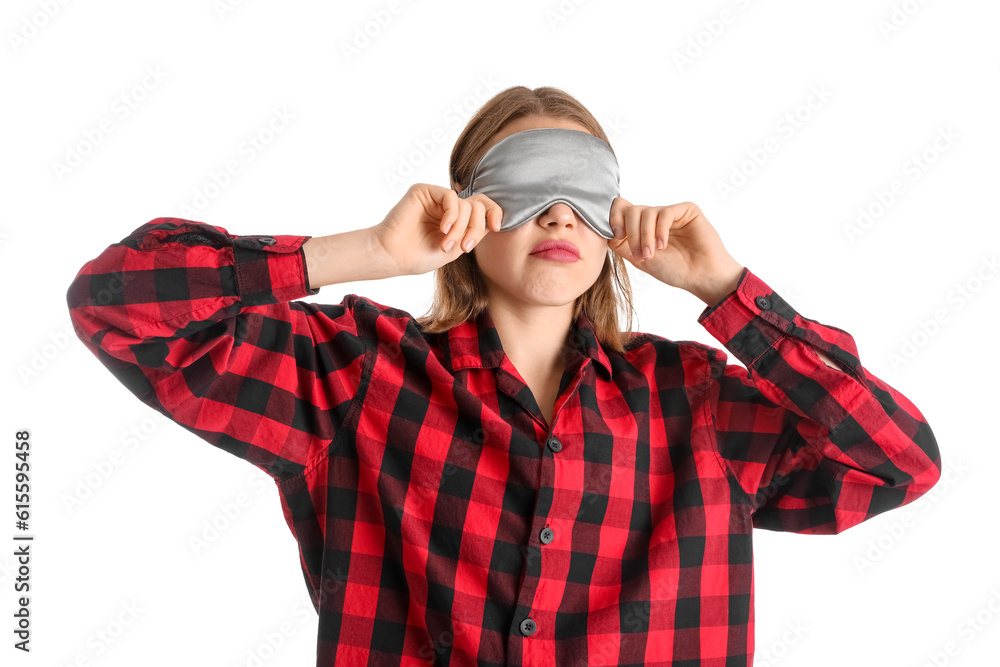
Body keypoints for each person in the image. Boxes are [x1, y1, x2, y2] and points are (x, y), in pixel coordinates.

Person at [66, 85, 942, 666]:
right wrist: (367, 252)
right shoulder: (355, 379)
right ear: (467, 213)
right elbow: (117, 306)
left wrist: (726, 289)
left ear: (612, 226)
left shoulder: (698, 403)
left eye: (583, 194)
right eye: (525, 189)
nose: (557, 211)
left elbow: (898, 460)